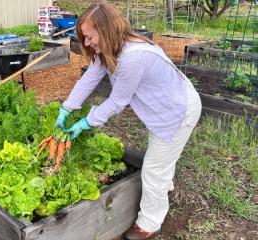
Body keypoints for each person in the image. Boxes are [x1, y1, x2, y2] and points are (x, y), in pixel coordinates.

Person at [54, 2, 202, 240]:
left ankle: (149, 223)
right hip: (166, 105)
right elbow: (89, 78)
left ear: (106, 30)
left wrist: (85, 122)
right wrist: (66, 108)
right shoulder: (111, 48)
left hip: (177, 111)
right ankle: (163, 186)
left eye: (90, 37)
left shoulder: (133, 57)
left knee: (153, 170)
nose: (88, 43)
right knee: (162, 159)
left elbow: (116, 102)